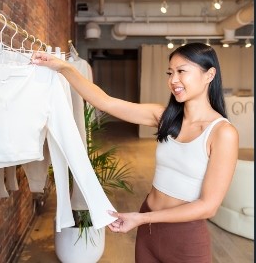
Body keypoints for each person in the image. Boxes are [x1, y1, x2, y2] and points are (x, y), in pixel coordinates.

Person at [31, 43, 239, 262]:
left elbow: (208, 207)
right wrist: (64, 68)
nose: (173, 80)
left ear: (209, 75)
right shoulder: (164, 117)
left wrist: (141, 218)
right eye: (170, 73)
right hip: (148, 231)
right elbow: (106, 102)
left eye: (182, 71)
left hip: (185, 239)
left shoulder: (222, 133)